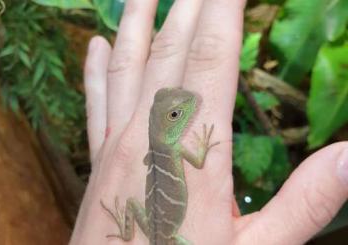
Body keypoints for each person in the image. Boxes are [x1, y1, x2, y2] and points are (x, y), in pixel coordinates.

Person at [70, 0, 348, 244]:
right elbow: (200, 161)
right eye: (175, 115)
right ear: (163, 129)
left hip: (155, 228)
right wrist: (201, 146)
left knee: (132, 204)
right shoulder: (172, 152)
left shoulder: (159, 152)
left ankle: (124, 227)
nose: (184, 107)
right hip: (167, 236)